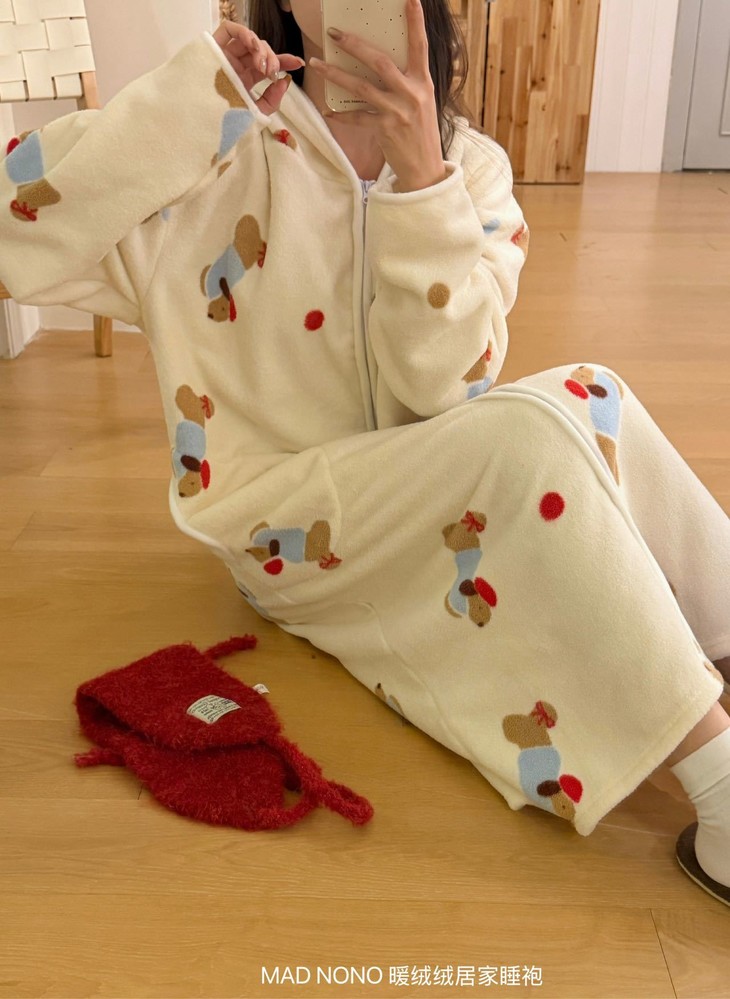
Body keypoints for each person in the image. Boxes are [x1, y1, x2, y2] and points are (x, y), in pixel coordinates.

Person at [2, 0, 730, 905]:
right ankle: (723, 789)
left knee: (593, 392)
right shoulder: (215, 144)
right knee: (523, 436)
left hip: (431, 499)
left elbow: (444, 393)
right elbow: (14, 230)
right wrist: (192, 102)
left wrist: (422, 182)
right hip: (287, 529)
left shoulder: (471, 170)